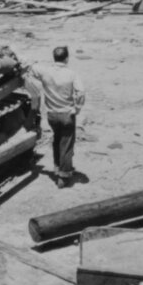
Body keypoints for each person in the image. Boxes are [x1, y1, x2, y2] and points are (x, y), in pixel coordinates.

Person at [31, 44, 86, 184]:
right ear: (67, 58)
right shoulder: (71, 74)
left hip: (51, 115)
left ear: (54, 57)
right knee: (66, 144)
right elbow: (81, 92)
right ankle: (64, 175)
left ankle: (57, 167)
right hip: (67, 114)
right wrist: (77, 108)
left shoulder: (44, 71)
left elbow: (31, 68)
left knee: (57, 140)